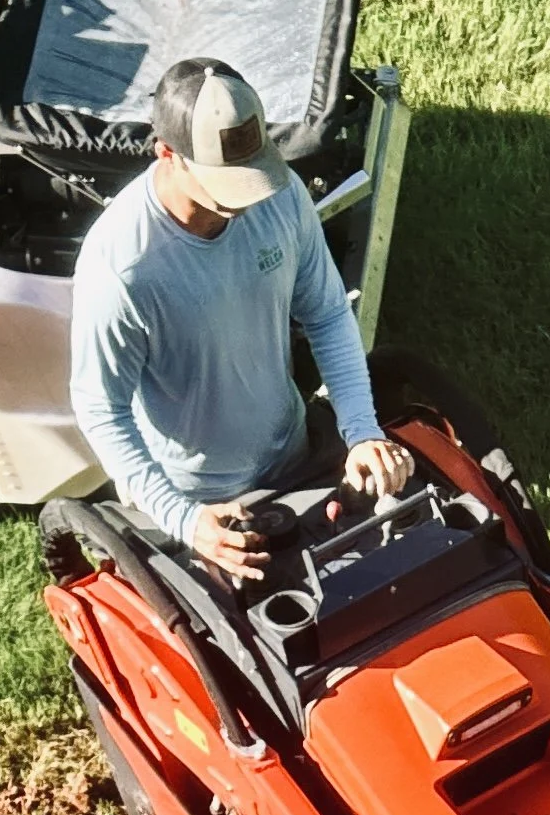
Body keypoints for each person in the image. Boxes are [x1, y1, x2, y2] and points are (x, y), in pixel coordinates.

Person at [68, 55, 414, 584]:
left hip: (292, 452)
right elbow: (100, 408)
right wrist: (182, 518)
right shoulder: (123, 267)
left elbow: (324, 313)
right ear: (168, 153)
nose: (249, 197)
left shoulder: (280, 197)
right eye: (227, 180)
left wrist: (361, 430)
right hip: (201, 503)